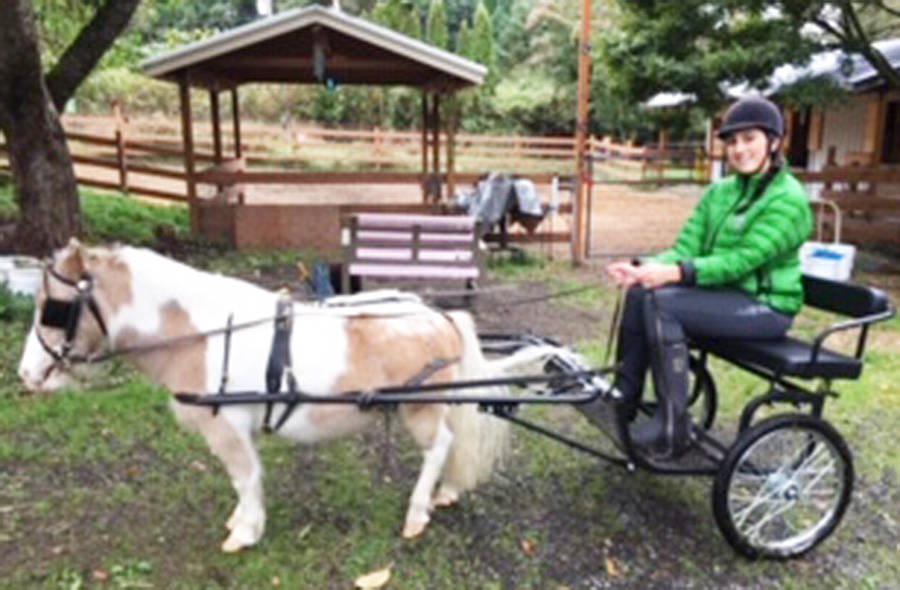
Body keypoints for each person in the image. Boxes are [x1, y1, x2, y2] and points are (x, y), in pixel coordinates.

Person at [605, 96, 814, 459]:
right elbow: (687, 247)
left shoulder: (788, 199)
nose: (739, 149)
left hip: (765, 307)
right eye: (732, 141)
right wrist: (644, 268)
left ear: (773, 142)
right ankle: (625, 396)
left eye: (749, 139)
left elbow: (742, 261)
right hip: (724, 298)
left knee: (662, 305)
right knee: (641, 293)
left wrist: (676, 273)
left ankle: (673, 423)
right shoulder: (720, 192)